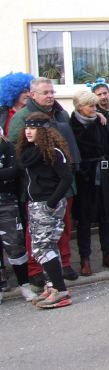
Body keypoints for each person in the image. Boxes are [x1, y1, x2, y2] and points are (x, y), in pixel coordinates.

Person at [7, 77, 79, 282]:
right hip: (38, 187)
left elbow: (69, 145)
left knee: (62, 227)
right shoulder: (21, 117)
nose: (50, 96)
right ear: (33, 95)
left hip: (62, 183)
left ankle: (63, 264)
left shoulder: (61, 113)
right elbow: (17, 150)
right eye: (45, 93)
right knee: (36, 234)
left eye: (52, 92)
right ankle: (35, 271)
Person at [16, 113, 74, 308]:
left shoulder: (53, 152)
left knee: (42, 247)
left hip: (47, 204)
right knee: (46, 246)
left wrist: (51, 202)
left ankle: (60, 290)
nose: (28, 131)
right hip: (35, 203)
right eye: (27, 128)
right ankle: (52, 285)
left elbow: (66, 178)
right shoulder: (31, 152)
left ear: (43, 131)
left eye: (33, 128)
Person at [69, 91, 109, 276]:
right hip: (85, 178)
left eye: (94, 105)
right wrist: (83, 170)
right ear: (79, 107)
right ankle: (85, 258)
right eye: (90, 106)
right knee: (84, 220)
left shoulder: (100, 122)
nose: (94, 108)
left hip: (104, 174)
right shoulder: (72, 125)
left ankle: (108, 253)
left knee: (107, 216)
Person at [1, 128, 37, 301]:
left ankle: (25, 285)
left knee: (15, 245)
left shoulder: (9, 148)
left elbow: (15, 171)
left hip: (7, 203)